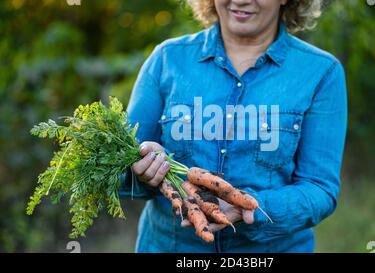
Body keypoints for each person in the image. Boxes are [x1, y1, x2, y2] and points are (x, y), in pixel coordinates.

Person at [119, 0, 347, 253]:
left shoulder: (321, 72)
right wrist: (143, 173)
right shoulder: (167, 60)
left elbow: (320, 189)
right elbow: (120, 171)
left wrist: (250, 206)